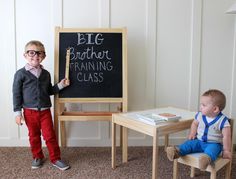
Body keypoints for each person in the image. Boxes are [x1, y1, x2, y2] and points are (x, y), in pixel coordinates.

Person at [12, 40, 70, 170]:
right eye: (31, 52)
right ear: (25, 55)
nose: (35, 56)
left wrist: (61, 85)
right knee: (34, 135)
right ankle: (37, 156)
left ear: (43, 56)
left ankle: (56, 158)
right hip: (29, 112)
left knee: (50, 136)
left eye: (39, 53)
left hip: (45, 112)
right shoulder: (21, 74)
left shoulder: (46, 74)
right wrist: (17, 113)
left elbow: (49, 91)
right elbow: (16, 94)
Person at [166, 89, 232, 170]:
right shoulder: (200, 115)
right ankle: (177, 151)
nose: (201, 107)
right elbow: (195, 123)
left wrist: (226, 150)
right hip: (199, 141)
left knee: (212, 151)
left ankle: (206, 159)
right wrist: (192, 133)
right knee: (189, 144)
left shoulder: (223, 121)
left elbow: (227, 136)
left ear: (215, 109)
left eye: (204, 105)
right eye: (201, 104)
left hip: (214, 144)